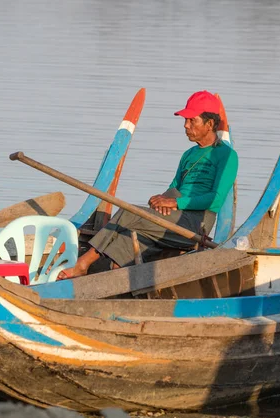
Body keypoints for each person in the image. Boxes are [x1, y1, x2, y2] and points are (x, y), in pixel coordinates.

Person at [57, 90, 239, 280]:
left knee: (129, 212)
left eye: (192, 121)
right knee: (128, 234)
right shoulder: (188, 154)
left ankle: (82, 264)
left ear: (209, 124)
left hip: (195, 225)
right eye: (185, 120)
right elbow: (174, 187)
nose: (186, 125)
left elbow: (215, 199)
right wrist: (161, 201)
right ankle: (112, 284)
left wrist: (175, 204)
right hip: (174, 216)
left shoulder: (227, 155)